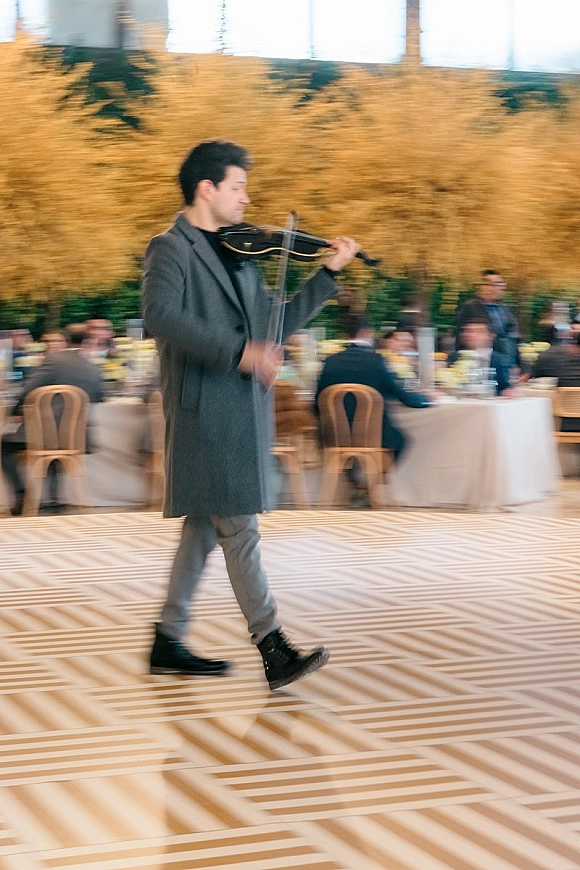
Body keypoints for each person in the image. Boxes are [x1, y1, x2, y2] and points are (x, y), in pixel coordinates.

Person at [141, 138, 360, 691]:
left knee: (204, 529)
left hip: (242, 412)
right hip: (203, 414)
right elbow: (161, 316)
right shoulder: (169, 248)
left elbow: (273, 327)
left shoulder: (240, 255)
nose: (246, 198)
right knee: (239, 526)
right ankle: (273, 646)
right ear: (206, 189)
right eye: (238, 186)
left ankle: (168, 639)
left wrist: (329, 273)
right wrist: (241, 354)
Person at [1, 323, 104, 515]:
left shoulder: (53, 359)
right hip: (77, 437)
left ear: (65, 340)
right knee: (55, 443)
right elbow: (100, 397)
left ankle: (21, 493)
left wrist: (15, 412)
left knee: (4, 445)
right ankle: (55, 498)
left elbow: (28, 389)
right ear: (86, 341)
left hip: (43, 436)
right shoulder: (93, 367)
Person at [314, 313, 435, 462]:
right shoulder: (376, 361)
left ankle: (351, 475)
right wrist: (426, 399)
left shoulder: (330, 362)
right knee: (402, 441)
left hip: (332, 437)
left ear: (343, 334)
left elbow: (317, 402)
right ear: (365, 333)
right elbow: (403, 397)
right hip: (373, 436)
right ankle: (377, 480)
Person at [455, 269, 524, 371]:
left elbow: (515, 339)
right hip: (483, 365)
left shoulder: (506, 310)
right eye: (495, 284)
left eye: (501, 284)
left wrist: (523, 367)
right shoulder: (470, 308)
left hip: (507, 364)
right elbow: (459, 338)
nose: (500, 288)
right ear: (483, 286)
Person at [448, 318, 513, 395]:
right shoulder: (454, 358)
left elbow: (506, 388)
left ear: (490, 336)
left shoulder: (501, 360)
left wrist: (508, 392)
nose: (472, 335)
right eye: (468, 331)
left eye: (479, 331)